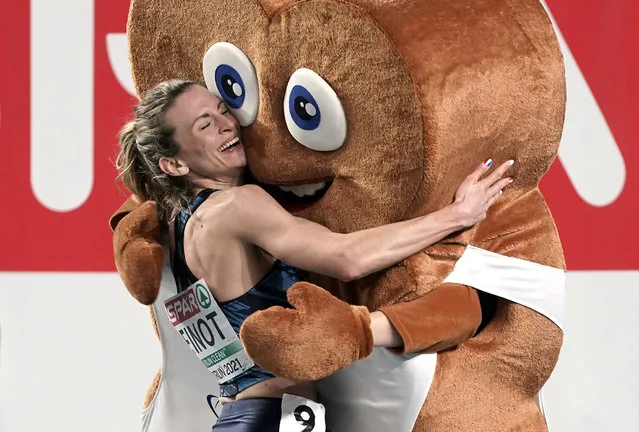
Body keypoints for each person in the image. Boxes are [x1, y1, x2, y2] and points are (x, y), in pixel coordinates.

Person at [115, 79, 514, 431]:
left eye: (223, 110)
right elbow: (345, 257)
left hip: (238, 417)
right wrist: (456, 215)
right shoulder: (236, 206)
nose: (226, 124)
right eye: (204, 125)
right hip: (275, 419)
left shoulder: (173, 226)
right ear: (174, 163)